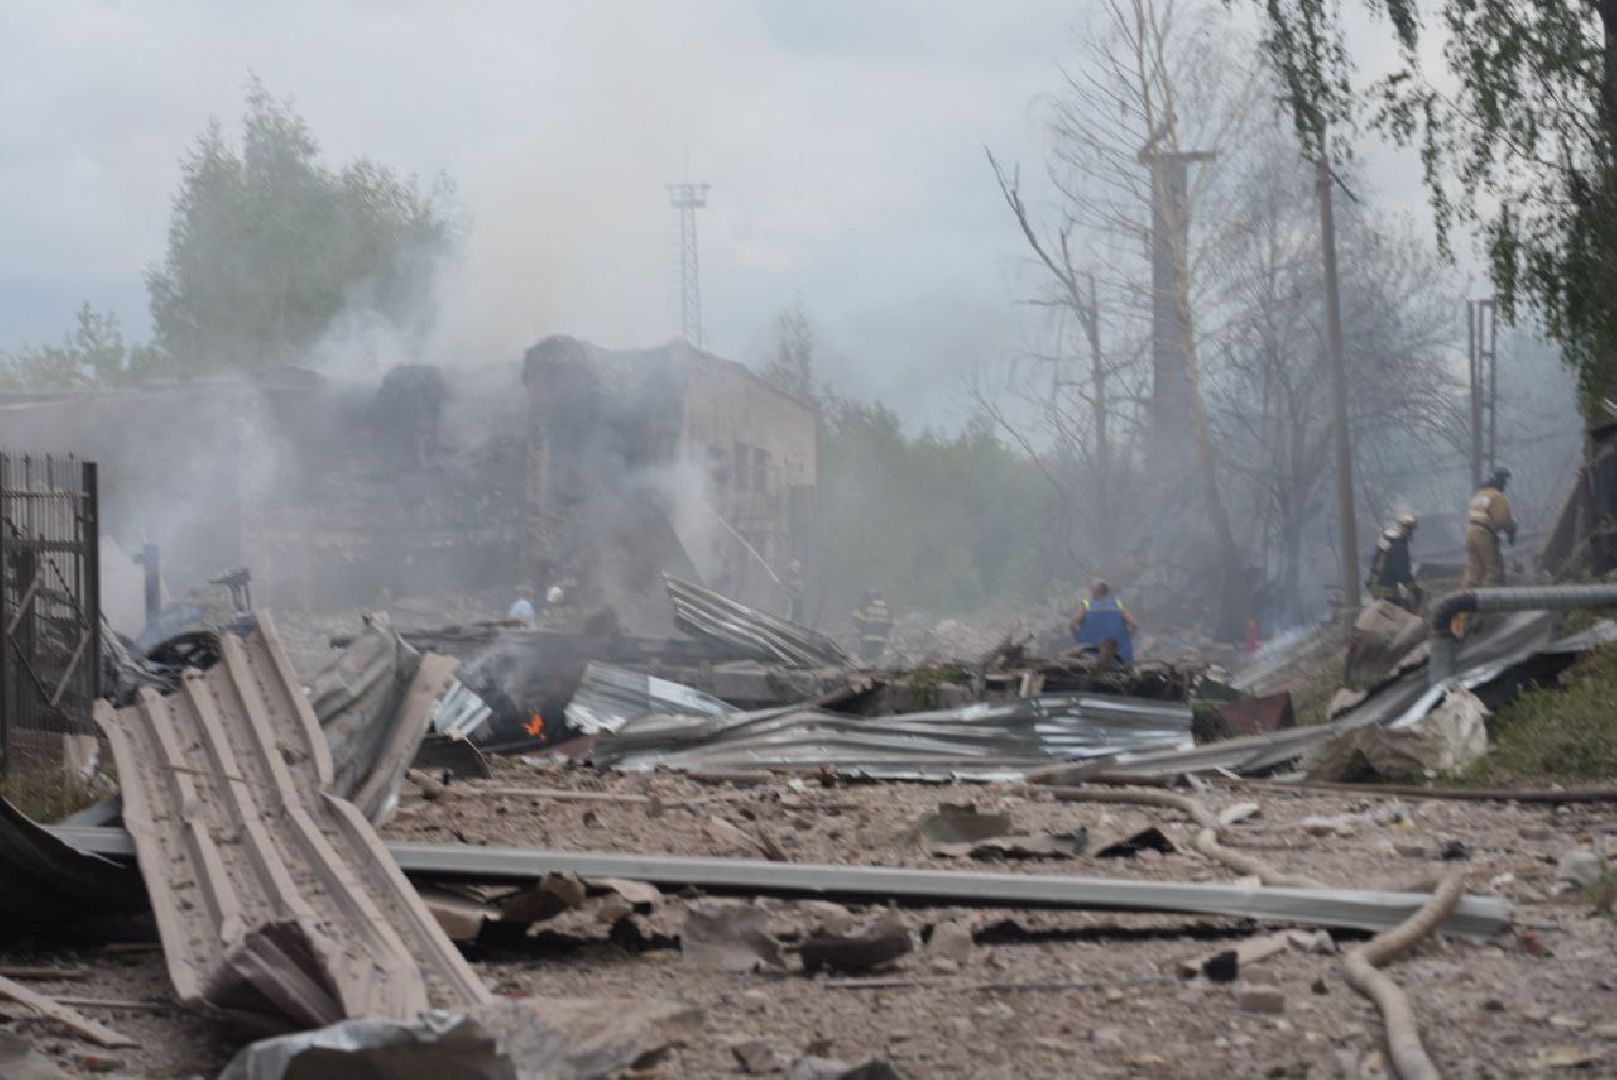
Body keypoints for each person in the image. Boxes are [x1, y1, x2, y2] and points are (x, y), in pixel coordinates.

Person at [1464, 468, 1517, 589]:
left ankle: (1465, 601)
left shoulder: (1479, 495)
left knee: (1474, 571)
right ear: (1501, 483)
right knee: (1493, 570)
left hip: (1470, 532)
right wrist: (1512, 529)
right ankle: (1490, 600)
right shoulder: (1497, 497)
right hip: (1484, 534)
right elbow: (1503, 520)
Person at [1069, 579, 1138, 665]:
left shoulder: (1087, 605)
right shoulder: (1117, 604)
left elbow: (1072, 625)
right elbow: (1134, 624)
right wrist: (1126, 639)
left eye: (1092, 589)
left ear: (1096, 591)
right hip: (1119, 655)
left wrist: (1078, 638)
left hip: (1090, 655)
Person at [1368, 513, 1423, 611]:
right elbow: (1402, 573)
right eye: (1410, 529)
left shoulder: (1388, 539)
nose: (1410, 533)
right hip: (1386, 589)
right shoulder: (1399, 545)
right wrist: (1415, 590)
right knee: (1405, 614)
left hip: (1376, 584)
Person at [851, 589, 892, 662]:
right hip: (881, 638)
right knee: (877, 658)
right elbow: (890, 623)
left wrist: (862, 627)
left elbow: (856, 617)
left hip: (867, 637)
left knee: (866, 659)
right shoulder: (886, 608)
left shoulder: (865, 605)